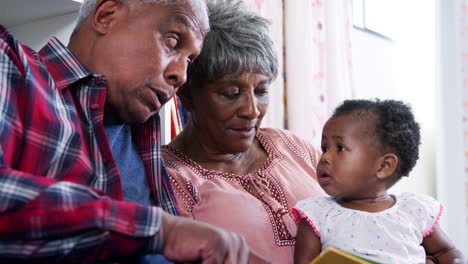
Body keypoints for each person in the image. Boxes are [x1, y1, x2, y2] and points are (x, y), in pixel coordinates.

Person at [0, 0, 268, 263]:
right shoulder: (13, 67)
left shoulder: (148, 147)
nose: (182, 75)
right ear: (106, 15)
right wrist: (164, 231)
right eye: (172, 42)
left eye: (189, 60)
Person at [162, 1, 326, 263]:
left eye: (261, 91)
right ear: (187, 94)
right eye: (231, 93)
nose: (252, 110)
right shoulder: (170, 179)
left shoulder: (295, 147)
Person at [292, 99, 466, 264]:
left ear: (384, 166)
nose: (325, 158)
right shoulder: (317, 214)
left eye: (340, 148)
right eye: (324, 148)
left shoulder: (414, 210)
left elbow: (445, 252)